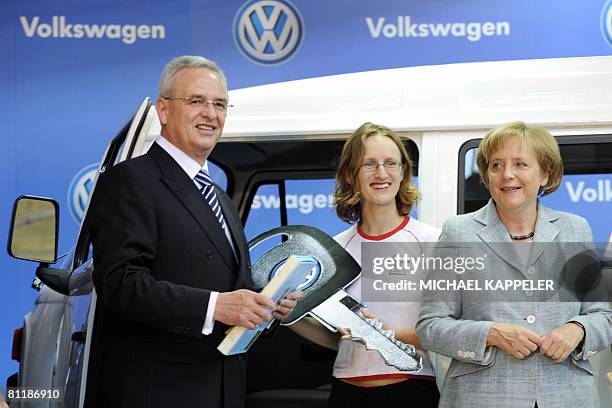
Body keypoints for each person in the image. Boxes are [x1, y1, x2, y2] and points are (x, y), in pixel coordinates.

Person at [86, 56, 300, 408]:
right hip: (160, 391)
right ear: (164, 110)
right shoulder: (130, 181)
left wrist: (265, 304)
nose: (210, 114)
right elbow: (119, 283)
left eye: (219, 104)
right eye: (197, 101)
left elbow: (226, 284)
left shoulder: (219, 197)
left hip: (220, 387)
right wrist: (217, 306)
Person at [416, 121, 612, 408]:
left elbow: (603, 316)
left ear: (545, 173)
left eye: (520, 164)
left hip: (567, 396)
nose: (507, 174)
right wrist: (491, 333)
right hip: (481, 397)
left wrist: (578, 330)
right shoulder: (459, 232)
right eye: (496, 165)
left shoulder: (575, 229)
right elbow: (429, 326)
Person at [293, 122, 440, 408]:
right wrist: (289, 316)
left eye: (390, 163)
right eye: (369, 164)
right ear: (351, 174)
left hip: (412, 390)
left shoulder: (431, 241)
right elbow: (339, 339)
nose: (382, 173)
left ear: (403, 173)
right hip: (347, 392)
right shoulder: (334, 250)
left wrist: (382, 331)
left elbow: (445, 333)